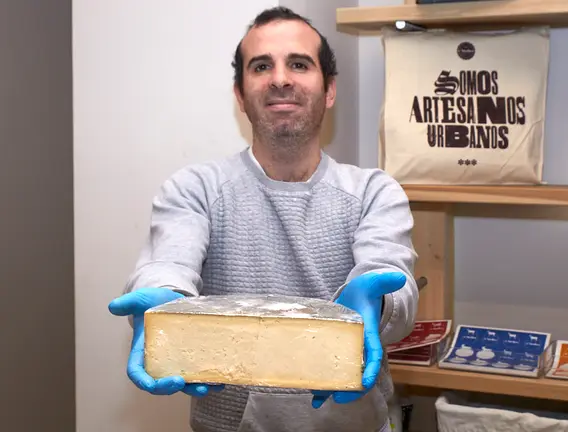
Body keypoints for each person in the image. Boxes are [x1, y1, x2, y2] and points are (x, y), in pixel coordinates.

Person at [107, 6, 419, 432]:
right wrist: (163, 301)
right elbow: (168, 261)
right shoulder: (195, 187)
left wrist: (377, 300)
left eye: (298, 63)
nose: (280, 79)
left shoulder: (373, 192)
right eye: (261, 66)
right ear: (240, 93)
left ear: (329, 89)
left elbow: (393, 284)